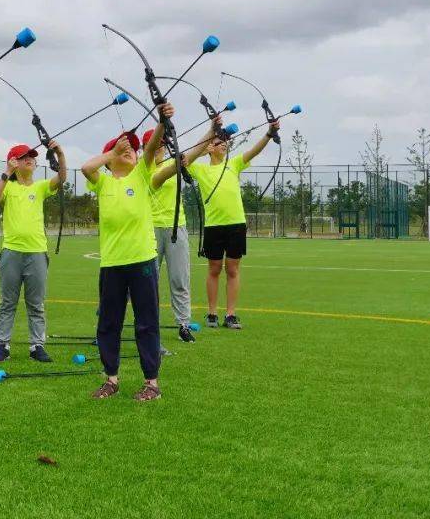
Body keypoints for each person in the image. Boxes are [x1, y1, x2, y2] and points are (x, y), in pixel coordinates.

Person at [82, 103, 185, 402]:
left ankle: (151, 383)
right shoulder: (102, 182)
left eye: (133, 150)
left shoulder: (141, 176)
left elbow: (152, 148)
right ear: (110, 158)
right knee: (109, 323)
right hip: (112, 264)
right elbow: (87, 168)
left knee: (146, 322)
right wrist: (113, 152)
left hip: (142, 262)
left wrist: (162, 120)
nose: (131, 151)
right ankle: (111, 379)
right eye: (123, 149)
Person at [189, 119, 281, 330]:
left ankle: (230, 314)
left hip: (236, 225)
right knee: (213, 269)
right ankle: (212, 313)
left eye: (226, 142)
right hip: (213, 226)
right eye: (220, 141)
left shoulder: (234, 163)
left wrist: (268, 133)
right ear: (211, 146)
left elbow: (254, 151)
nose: (224, 144)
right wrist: (205, 148)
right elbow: (186, 158)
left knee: (233, 270)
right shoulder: (200, 169)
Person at [141, 118, 221, 343]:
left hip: (177, 228)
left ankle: (183, 324)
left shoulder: (171, 164)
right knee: (148, 282)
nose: (159, 148)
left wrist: (212, 129)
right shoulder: (144, 170)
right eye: (154, 145)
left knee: (180, 278)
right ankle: (148, 324)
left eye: (161, 145)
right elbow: (172, 167)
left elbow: (194, 153)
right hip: (151, 231)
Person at [0, 141, 66, 363]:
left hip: (37, 253)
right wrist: (6, 172)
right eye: (23, 157)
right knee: (7, 302)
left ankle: (37, 346)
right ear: (13, 161)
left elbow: (61, 178)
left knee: (36, 303)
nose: (29, 159)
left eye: (31, 156)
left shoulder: (40, 186)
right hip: (11, 252)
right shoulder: (8, 186)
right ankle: (2, 345)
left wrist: (59, 153)